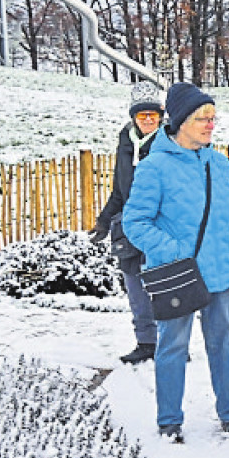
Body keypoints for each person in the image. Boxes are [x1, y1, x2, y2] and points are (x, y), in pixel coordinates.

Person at [123, 82, 229, 443]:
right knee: (172, 347)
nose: (210, 124)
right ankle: (170, 422)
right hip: (178, 277)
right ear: (182, 120)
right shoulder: (154, 167)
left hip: (220, 275)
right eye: (203, 117)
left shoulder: (218, 163)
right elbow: (135, 223)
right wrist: (173, 252)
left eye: (213, 118)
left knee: (223, 344)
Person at [88, 81, 164, 364]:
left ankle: (171, 343)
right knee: (135, 287)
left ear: (160, 116)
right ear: (133, 117)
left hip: (160, 226)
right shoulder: (125, 142)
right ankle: (146, 343)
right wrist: (104, 221)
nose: (147, 120)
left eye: (152, 115)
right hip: (128, 226)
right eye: (141, 115)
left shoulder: (170, 142)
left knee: (165, 287)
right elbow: (119, 191)